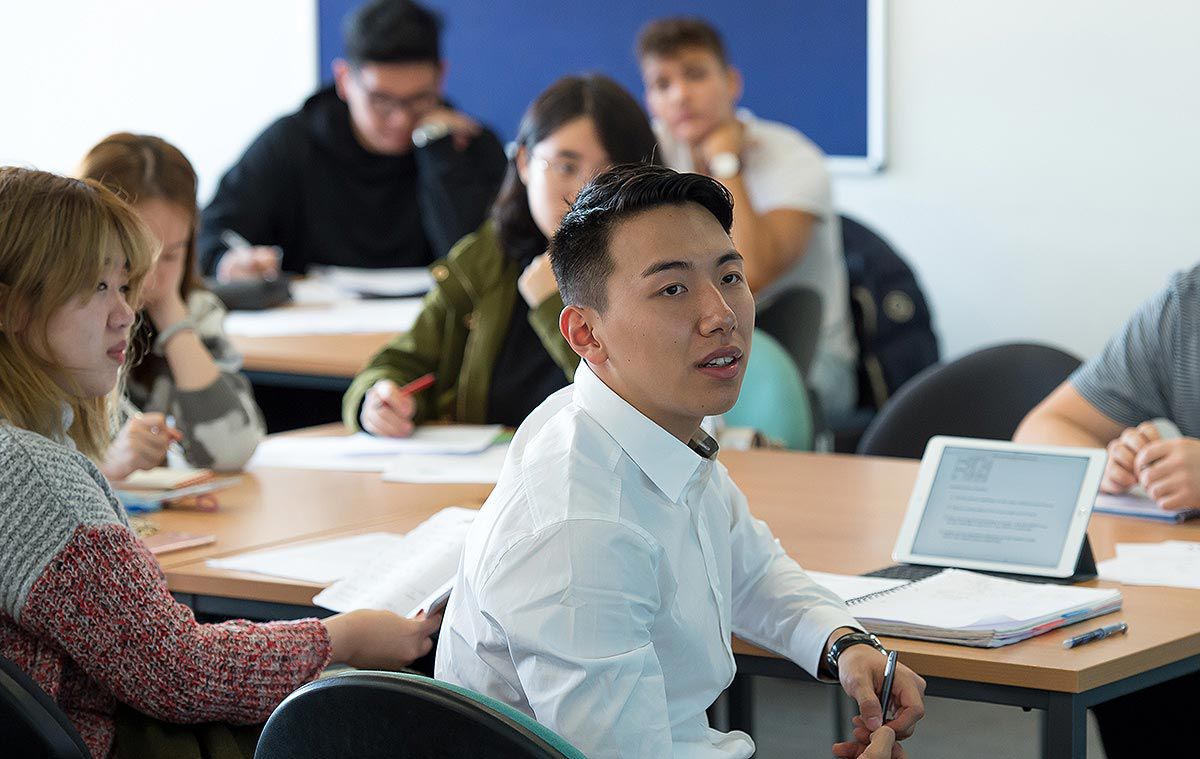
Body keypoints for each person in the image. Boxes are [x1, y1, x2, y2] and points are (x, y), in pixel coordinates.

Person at [435, 164, 925, 758]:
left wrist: (843, 644)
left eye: (730, 275)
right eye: (672, 288)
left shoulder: (656, 428)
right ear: (586, 334)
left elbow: (751, 570)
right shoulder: (578, 527)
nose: (721, 313)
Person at [0, 167, 440, 758]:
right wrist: (343, 639)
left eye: (123, 286)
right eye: (94, 288)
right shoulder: (31, 475)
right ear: (11, 307)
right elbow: (179, 673)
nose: (125, 314)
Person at [343, 74, 658, 434]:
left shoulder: (662, 275)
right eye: (565, 167)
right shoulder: (489, 258)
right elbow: (402, 362)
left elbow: (641, 413)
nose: (584, 190)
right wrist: (381, 398)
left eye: (609, 172)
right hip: (482, 483)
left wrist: (554, 304)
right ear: (524, 163)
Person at [1014, 263, 1200, 758]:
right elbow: (1045, 428)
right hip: (1185, 607)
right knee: (1129, 673)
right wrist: (1116, 466)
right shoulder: (1187, 306)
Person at [635, 16, 860, 418]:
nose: (680, 96)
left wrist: (726, 162)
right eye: (662, 85)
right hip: (699, 348)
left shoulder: (793, 157)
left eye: (695, 75)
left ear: (732, 83)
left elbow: (749, 271)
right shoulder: (655, 154)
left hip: (803, 361)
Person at [198, 0, 506, 282]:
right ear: (345, 80)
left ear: (441, 78)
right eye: (381, 100)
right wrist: (229, 261)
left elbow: (481, 268)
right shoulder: (291, 142)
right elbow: (210, 233)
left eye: (419, 99)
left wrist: (439, 155)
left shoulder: (469, 147)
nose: (400, 118)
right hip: (314, 331)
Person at [78, 133, 266, 480]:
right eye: (138, 254)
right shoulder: (64, 320)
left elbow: (232, 451)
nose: (151, 277)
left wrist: (173, 318)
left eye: (171, 255)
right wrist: (108, 465)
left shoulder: (194, 309)